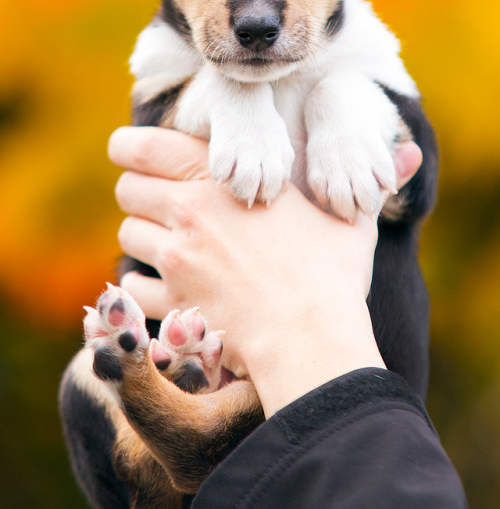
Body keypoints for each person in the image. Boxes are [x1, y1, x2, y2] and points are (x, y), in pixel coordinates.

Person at [107, 126, 468, 508]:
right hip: (348, 434)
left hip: (334, 401)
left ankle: (182, 422)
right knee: (85, 385)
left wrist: (299, 328)